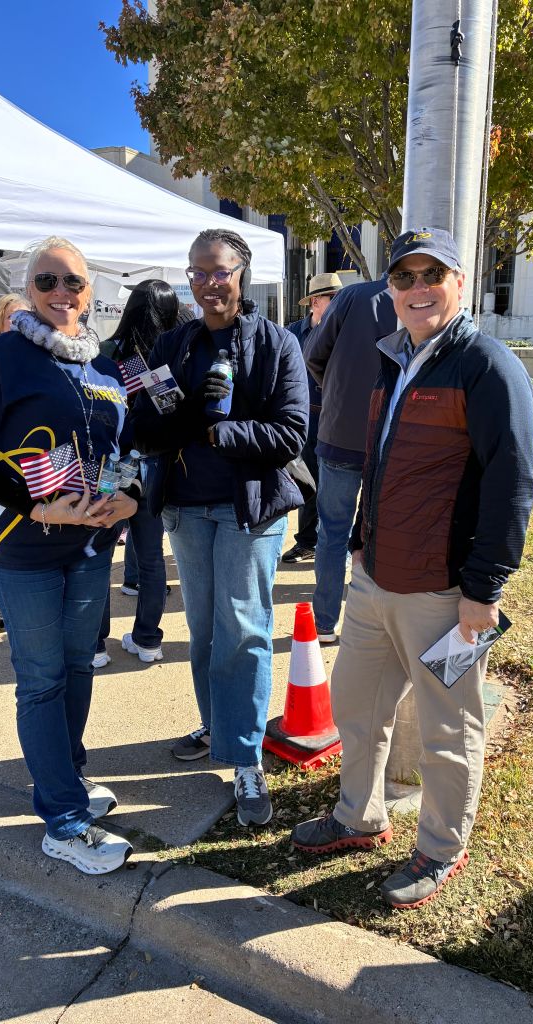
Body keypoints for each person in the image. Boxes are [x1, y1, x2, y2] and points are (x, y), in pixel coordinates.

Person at [291, 227, 533, 909]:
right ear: (389, 289)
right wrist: (363, 543)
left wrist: (482, 592)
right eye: (404, 277)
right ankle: (357, 817)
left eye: (434, 273)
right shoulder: (395, 359)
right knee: (356, 706)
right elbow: (381, 464)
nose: (418, 287)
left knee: (447, 729)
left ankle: (439, 848)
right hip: (376, 580)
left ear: (461, 282)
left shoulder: (487, 366)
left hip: (444, 590)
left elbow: (512, 485)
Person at [0, 237, 138, 875]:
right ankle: (64, 820)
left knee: (79, 666)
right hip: (23, 548)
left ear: (90, 292)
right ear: (30, 289)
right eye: (47, 281)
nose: (61, 293)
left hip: (89, 546)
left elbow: (125, 454)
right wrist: (35, 507)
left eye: (73, 283)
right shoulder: (1, 355)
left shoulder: (103, 366)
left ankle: (68, 780)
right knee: (42, 677)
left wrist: (131, 498)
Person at [133, 228, 308, 827]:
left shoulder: (277, 344)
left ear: (243, 273)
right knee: (206, 629)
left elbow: (290, 434)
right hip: (185, 507)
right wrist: (168, 409)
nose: (208, 283)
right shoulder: (174, 345)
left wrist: (219, 429)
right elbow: (148, 426)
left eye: (219, 271)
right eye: (197, 272)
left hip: (248, 510)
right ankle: (218, 726)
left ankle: (246, 756)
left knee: (244, 629)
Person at [302, 269, 396, 642]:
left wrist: (335, 390)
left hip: (340, 432)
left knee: (332, 533)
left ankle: (325, 621)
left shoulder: (352, 297)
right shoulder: (428, 304)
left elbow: (313, 353)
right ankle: (370, 622)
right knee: (379, 532)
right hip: (391, 437)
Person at [94, 279, 183, 668]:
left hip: (111, 465)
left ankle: (95, 643)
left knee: (97, 555)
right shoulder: (175, 353)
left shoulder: (106, 355)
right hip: (154, 465)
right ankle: (148, 637)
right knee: (151, 557)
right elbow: (173, 414)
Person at [281, 272, 342, 564]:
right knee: (307, 482)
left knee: (337, 487)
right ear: (316, 301)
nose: (339, 306)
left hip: (337, 419)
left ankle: (335, 544)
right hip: (303, 420)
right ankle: (306, 541)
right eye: (334, 300)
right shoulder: (292, 333)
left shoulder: (345, 333)